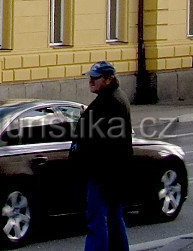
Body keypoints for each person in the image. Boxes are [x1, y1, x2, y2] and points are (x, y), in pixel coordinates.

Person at [71, 61, 132, 251]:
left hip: (102, 173)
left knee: (97, 221)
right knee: (113, 217)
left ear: (108, 79)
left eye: (95, 78)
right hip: (112, 171)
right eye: (90, 77)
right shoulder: (113, 98)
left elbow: (103, 141)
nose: (90, 81)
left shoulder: (110, 102)